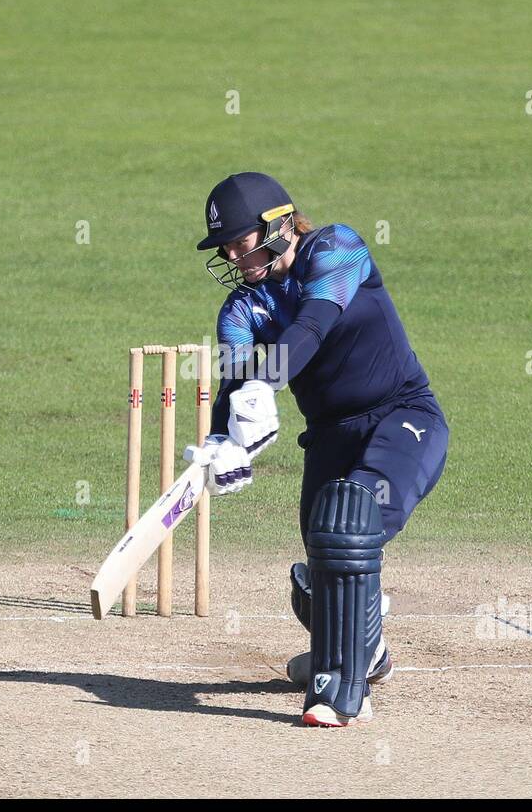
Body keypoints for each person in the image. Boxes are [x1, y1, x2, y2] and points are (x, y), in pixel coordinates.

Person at [184, 172, 449, 727]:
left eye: (241, 239)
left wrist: (267, 381)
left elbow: (313, 323)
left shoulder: (339, 248)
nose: (234, 255)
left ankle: (339, 691)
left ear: (279, 223)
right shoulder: (242, 309)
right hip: (329, 438)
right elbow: (234, 381)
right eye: (225, 247)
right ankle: (366, 651)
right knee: (323, 566)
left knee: (347, 527)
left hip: (403, 417)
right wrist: (220, 444)